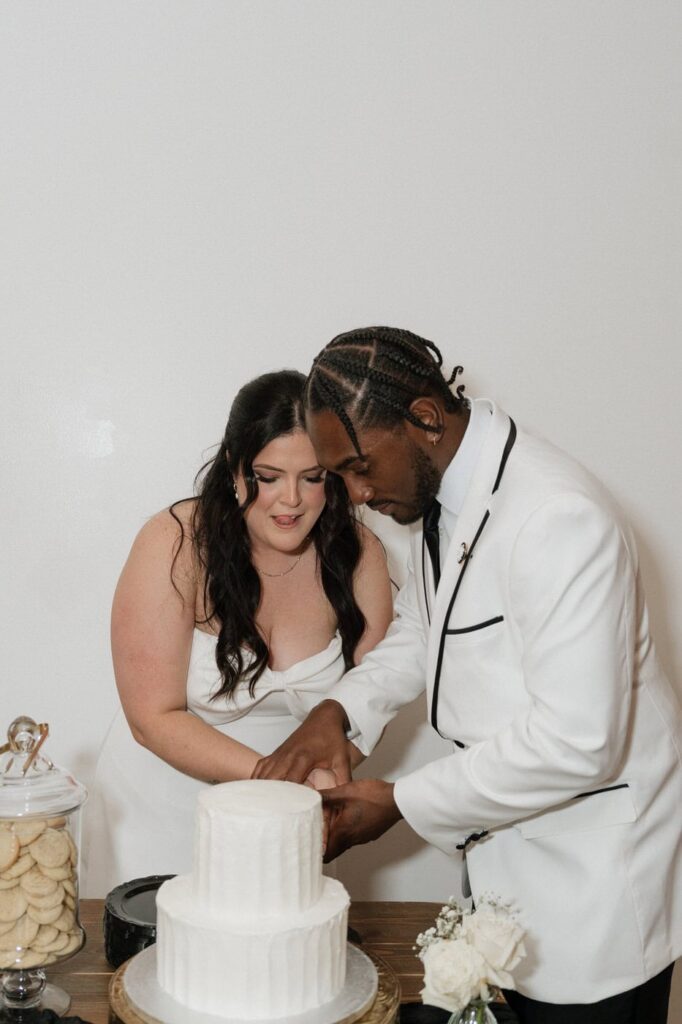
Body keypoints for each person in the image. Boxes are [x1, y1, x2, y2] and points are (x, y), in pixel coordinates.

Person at [253, 327, 682, 1024]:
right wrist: (337, 713)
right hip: (507, 865)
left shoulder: (557, 518)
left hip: (594, 887)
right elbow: (427, 630)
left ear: (423, 419)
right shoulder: (444, 495)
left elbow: (577, 741)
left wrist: (398, 801)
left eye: (360, 468)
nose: (356, 495)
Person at [83, 369, 393, 896]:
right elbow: (151, 718)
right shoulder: (175, 542)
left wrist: (320, 783)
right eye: (268, 477)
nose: (290, 500)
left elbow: (375, 696)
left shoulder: (361, 556)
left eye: (313, 477)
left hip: (291, 822)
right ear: (234, 469)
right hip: (159, 818)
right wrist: (283, 781)